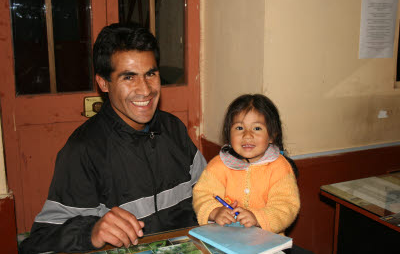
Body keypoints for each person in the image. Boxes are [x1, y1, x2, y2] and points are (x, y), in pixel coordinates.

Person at [20, 22, 207, 253]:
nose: (145, 89)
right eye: (129, 78)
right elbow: (38, 242)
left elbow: (207, 190)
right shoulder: (83, 150)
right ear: (103, 83)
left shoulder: (174, 128)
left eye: (150, 74)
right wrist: (91, 231)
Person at [193, 94, 300, 234]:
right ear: (228, 134)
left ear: (272, 135)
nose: (247, 135)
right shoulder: (218, 165)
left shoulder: (280, 167)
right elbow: (203, 194)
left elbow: (286, 206)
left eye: (257, 128)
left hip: (267, 243)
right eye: (239, 128)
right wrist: (214, 211)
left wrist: (258, 218)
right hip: (226, 239)